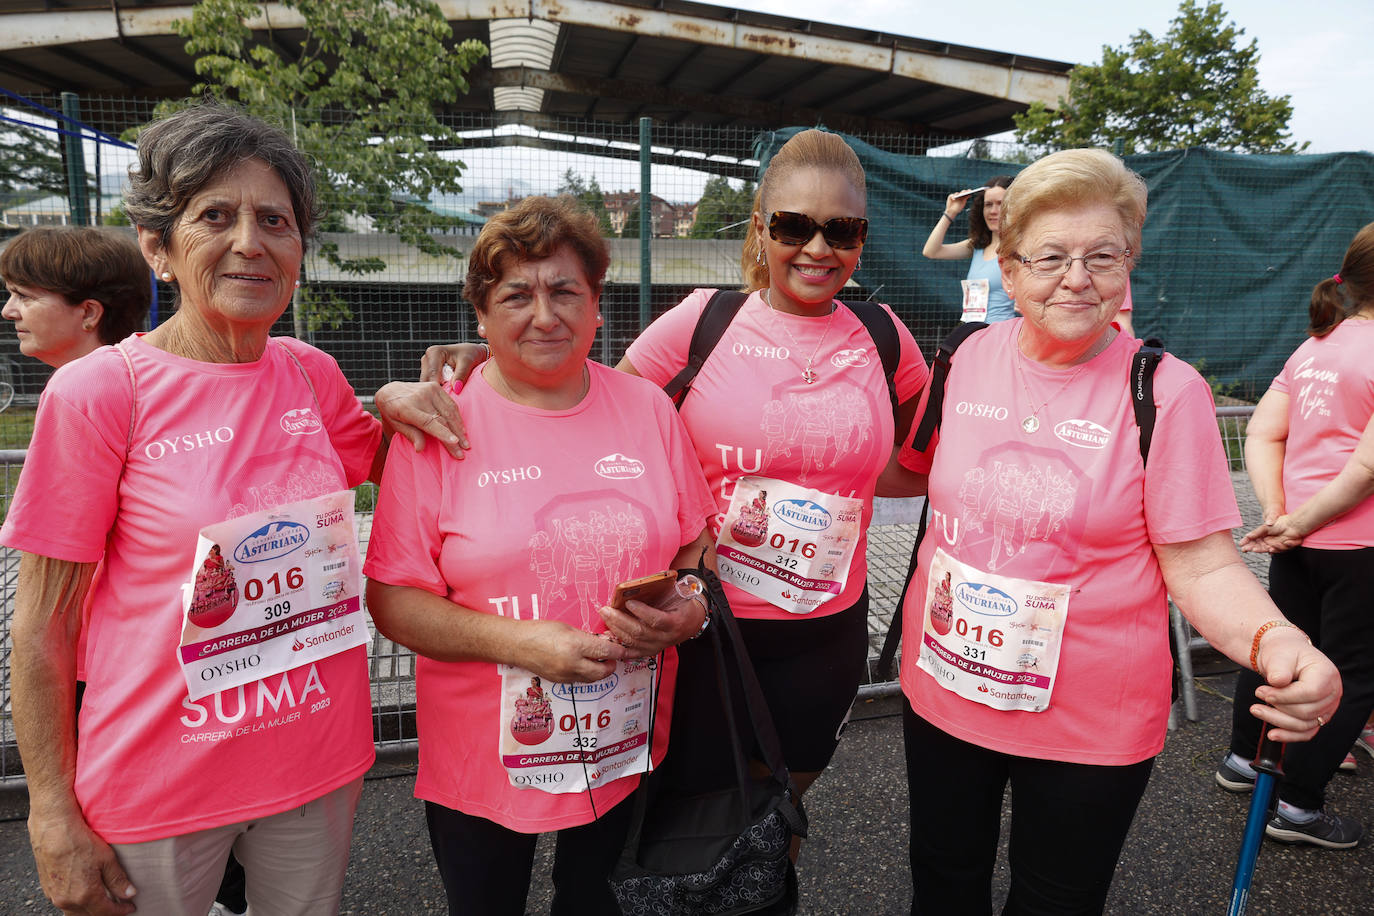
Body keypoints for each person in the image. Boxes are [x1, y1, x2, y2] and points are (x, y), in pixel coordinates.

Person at [394, 130, 931, 878]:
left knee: (774, 826)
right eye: (793, 226)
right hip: (703, 633)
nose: (817, 246)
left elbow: (927, 457)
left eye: (841, 229)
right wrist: (493, 360)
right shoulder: (701, 323)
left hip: (824, 633)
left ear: (863, 239)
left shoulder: (883, 335)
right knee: (683, 835)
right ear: (760, 229)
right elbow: (582, 401)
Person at [891, 148, 1342, 914]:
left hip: (1088, 716)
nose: (1078, 277)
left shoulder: (1166, 391)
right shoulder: (963, 360)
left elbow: (1199, 568)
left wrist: (1280, 643)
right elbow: (910, 475)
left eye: (1103, 255)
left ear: (1128, 262)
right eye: (1051, 257)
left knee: (1056, 901)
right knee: (942, 876)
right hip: (946, 687)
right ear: (1008, 268)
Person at [3, 102, 404, 916]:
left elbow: (406, 465)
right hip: (160, 780)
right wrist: (50, 812)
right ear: (158, 247)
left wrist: (438, 389)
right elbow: (40, 624)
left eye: (276, 220)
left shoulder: (309, 374)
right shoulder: (100, 392)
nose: (251, 242)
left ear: (298, 249)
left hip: (315, 761)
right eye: (215, 216)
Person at [362, 195, 718, 916]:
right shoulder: (440, 425)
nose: (545, 315)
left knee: (601, 905)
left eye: (565, 292)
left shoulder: (648, 408)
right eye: (516, 295)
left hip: (623, 739)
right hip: (484, 758)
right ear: (482, 316)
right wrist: (521, 643)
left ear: (597, 309)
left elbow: (695, 546)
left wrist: (690, 609)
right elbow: (392, 600)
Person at [1216, 221, 1374, 849]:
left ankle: (1241, 761)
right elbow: (1366, 468)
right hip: (1358, 547)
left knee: (1278, 653)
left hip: (1297, 542)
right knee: (1353, 672)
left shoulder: (1316, 345)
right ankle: (1300, 807)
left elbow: (1262, 433)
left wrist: (1284, 516)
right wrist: (1299, 521)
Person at [1, 225, 149, 366]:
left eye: (23, 296)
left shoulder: (70, 390)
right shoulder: (149, 378)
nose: (7, 312)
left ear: (88, 313)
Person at [922, 175, 1015, 323]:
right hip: (972, 331)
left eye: (1000, 204)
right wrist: (951, 211)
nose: (993, 211)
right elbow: (931, 251)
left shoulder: (1019, 248)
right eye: (988, 204)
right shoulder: (978, 246)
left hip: (1002, 334)